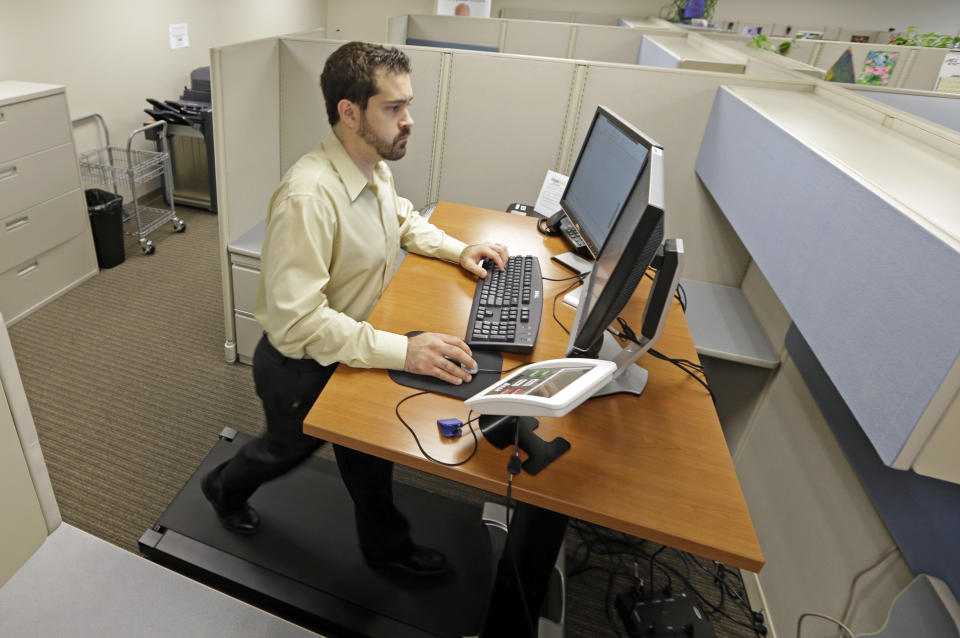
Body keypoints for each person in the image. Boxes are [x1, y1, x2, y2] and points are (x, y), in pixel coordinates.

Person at [201, 41, 508, 577]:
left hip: (351, 340)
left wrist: (459, 249)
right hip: (300, 362)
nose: (408, 121)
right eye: (394, 108)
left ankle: (386, 549)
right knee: (284, 450)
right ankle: (222, 489)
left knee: (366, 456)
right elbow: (299, 322)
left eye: (408, 105)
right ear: (350, 111)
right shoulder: (309, 196)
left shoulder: (370, 163)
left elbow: (403, 219)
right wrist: (402, 351)